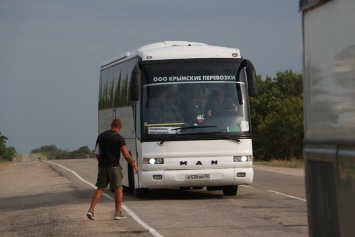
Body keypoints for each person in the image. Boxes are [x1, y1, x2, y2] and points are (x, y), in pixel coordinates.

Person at [87, 118, 139, 220]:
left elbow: (97, 152)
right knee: (118, 189)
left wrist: (101, 163)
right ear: (120, 127)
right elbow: (126, 155)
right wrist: (134, 165)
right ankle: (117, 213)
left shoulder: (101, 136)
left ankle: (91, 210)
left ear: (111, 125)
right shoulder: (119, 138)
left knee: (100, 188)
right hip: (114, 167)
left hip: (102, 166)